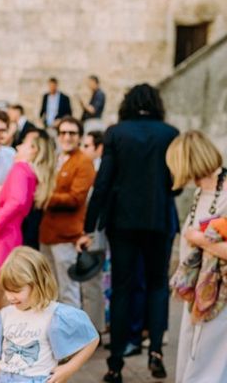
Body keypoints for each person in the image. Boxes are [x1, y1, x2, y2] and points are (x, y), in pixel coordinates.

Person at [81, 84, 179, 382]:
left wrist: (89, 225)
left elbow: (103, 183)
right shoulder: (170, 134)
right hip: (160, 219)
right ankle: (156, 352)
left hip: (122, 222)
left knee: (122, 289)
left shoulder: (116, 133)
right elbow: (178, 183)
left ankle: (115, 364)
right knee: (158, 285)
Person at [0, 246, 98, 383]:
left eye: (16, 290)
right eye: (7, 290)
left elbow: (92, 339)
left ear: (37, 284)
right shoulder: (4, 316)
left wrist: (68, 369)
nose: (10, 297)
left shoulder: (55, 315)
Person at [166, 131, 227, 382]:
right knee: (194, 356)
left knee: (209, 362)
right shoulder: (201, 193)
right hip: (198, 291)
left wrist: (198, 239)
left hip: (219, 296)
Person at [0, 129, 55, 326]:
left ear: (33, 149)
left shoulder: (20, 168)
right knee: (4, 308)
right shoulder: (29, 172)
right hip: (11, 239)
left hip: (0, 241)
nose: (18, 146)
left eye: (24, 143)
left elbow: (17, 202)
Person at [39, 117, 95, 309]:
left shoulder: (84, 161)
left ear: (79, 137)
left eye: (72, 133)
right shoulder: (55, 158)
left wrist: (45, 196)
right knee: (50, 291)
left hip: (66, 235)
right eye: (63, 133)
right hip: (47, 233)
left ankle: (74, 338)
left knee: (68, 291)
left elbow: (75, 199)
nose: (67, 137)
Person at [79, 130, 107, 336]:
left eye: (87, 145)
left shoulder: (99, 170)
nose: (84, 149)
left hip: (94, 230)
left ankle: (94, 327)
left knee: (92, 280)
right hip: (87, 230)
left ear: (99, 148)